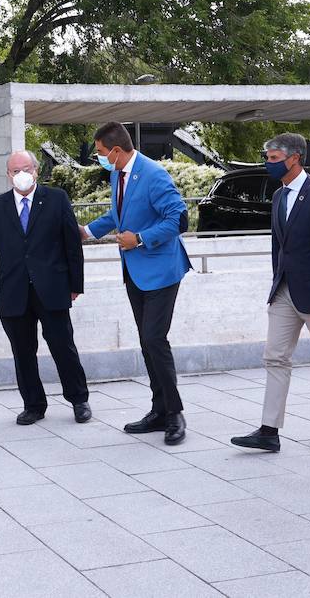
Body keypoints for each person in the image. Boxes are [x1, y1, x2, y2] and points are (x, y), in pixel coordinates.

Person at [231, 133, 310, 454]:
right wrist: (276, 285)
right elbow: (279, 247)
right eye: (267, 157)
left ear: (295, 158)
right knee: (274, 357)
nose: (267, 164)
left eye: (273, 159)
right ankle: (269, 431)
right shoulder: (279, 196)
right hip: (285, 292)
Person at [82, 122, 190, 445]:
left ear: (116, 150)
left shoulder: (153, 174)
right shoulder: (118, 173)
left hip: (161, 270)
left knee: (155, 339)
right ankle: (159, 411)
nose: (99, 158)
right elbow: (119, 216)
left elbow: (179, 218)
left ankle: (175, 414)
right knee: (147, 342)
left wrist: (141, 239)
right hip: (134, 272)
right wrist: (86, 231)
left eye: (101, 153)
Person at [0, 150, 91, 425]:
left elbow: (71, 244)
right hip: (13, 290)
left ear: (36, 171)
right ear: (8, 175)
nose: (21, 175)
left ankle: (79, 399)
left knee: (63, 346)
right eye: (15, 171)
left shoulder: (56, 199)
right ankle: (33, 404)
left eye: (26, 168)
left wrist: (76, 283)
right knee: (22, 351)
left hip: (52, 288)